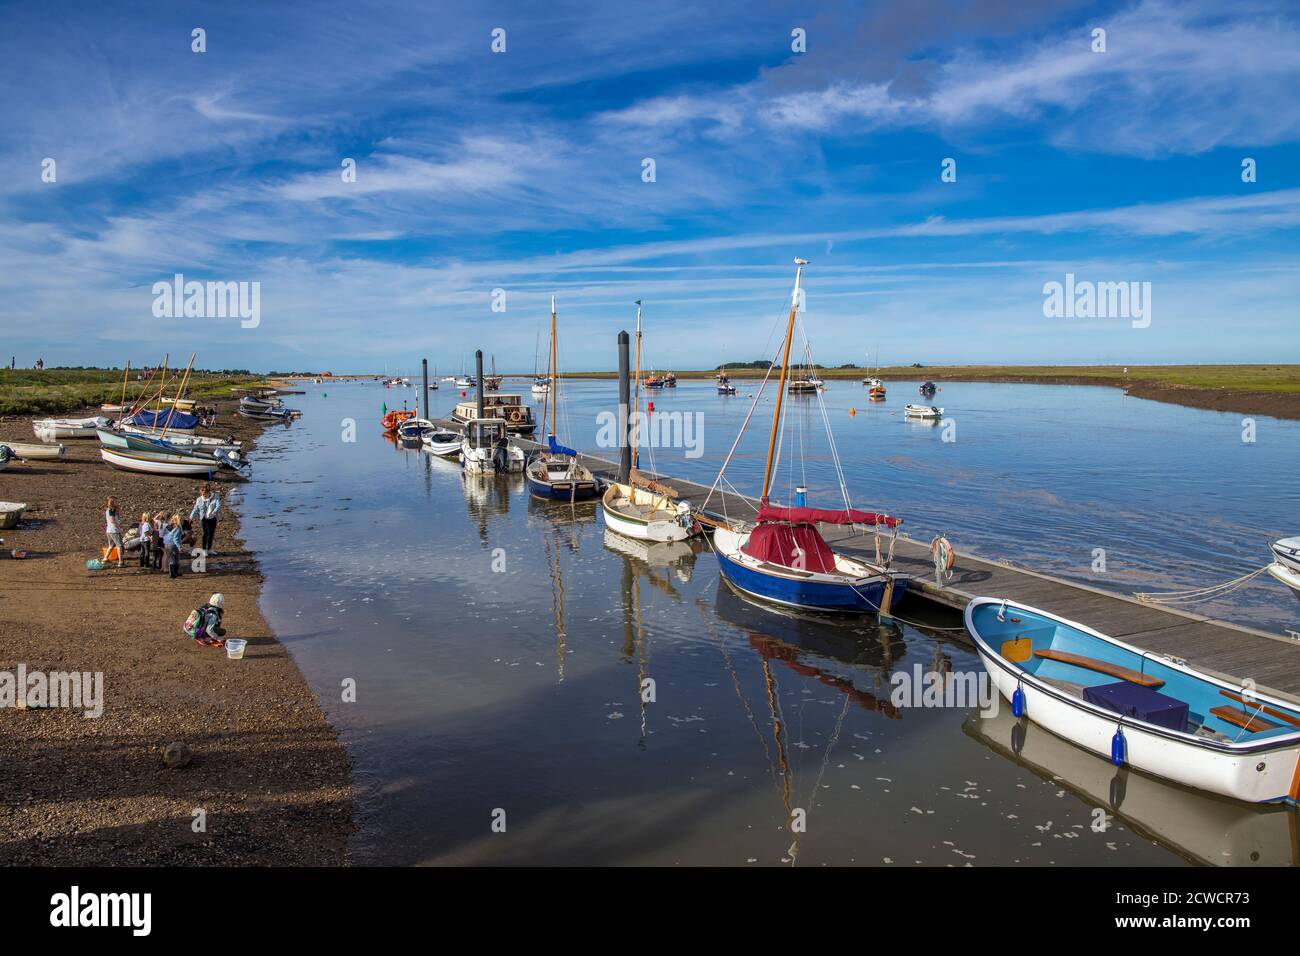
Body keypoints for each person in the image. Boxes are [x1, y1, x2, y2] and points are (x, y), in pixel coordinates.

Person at [190, 484, 222, 554]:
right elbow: (195, 509)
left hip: (213, 518)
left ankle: (209, 549)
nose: (204, 496)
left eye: (205, 494)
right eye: (202, 494)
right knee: (206, 533)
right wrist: (191, 518)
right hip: (204, 519)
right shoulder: (199, 499)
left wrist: (214, 511)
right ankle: (204, 550)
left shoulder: (215, 497)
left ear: (208, 492)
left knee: (211, 534)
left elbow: (218, 505)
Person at [104, 497, 123, 568]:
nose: (117, 503)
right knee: (119, 546)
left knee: (111, 545)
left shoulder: (108, 510)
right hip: (114, 530)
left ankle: (105, 558)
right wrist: (119, 526)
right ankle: (120, 562)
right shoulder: (112, 510)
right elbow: (112, 520)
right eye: (116, 501)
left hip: (109, 530)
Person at [163, 514, 183, 579]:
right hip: (172, 544)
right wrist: (179, 547)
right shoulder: (177, 528)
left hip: (169, 543)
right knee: (173, 558)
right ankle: (172, 573)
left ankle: (175, 572)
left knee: (176, 557)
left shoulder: (175, 527)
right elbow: (175, 539)